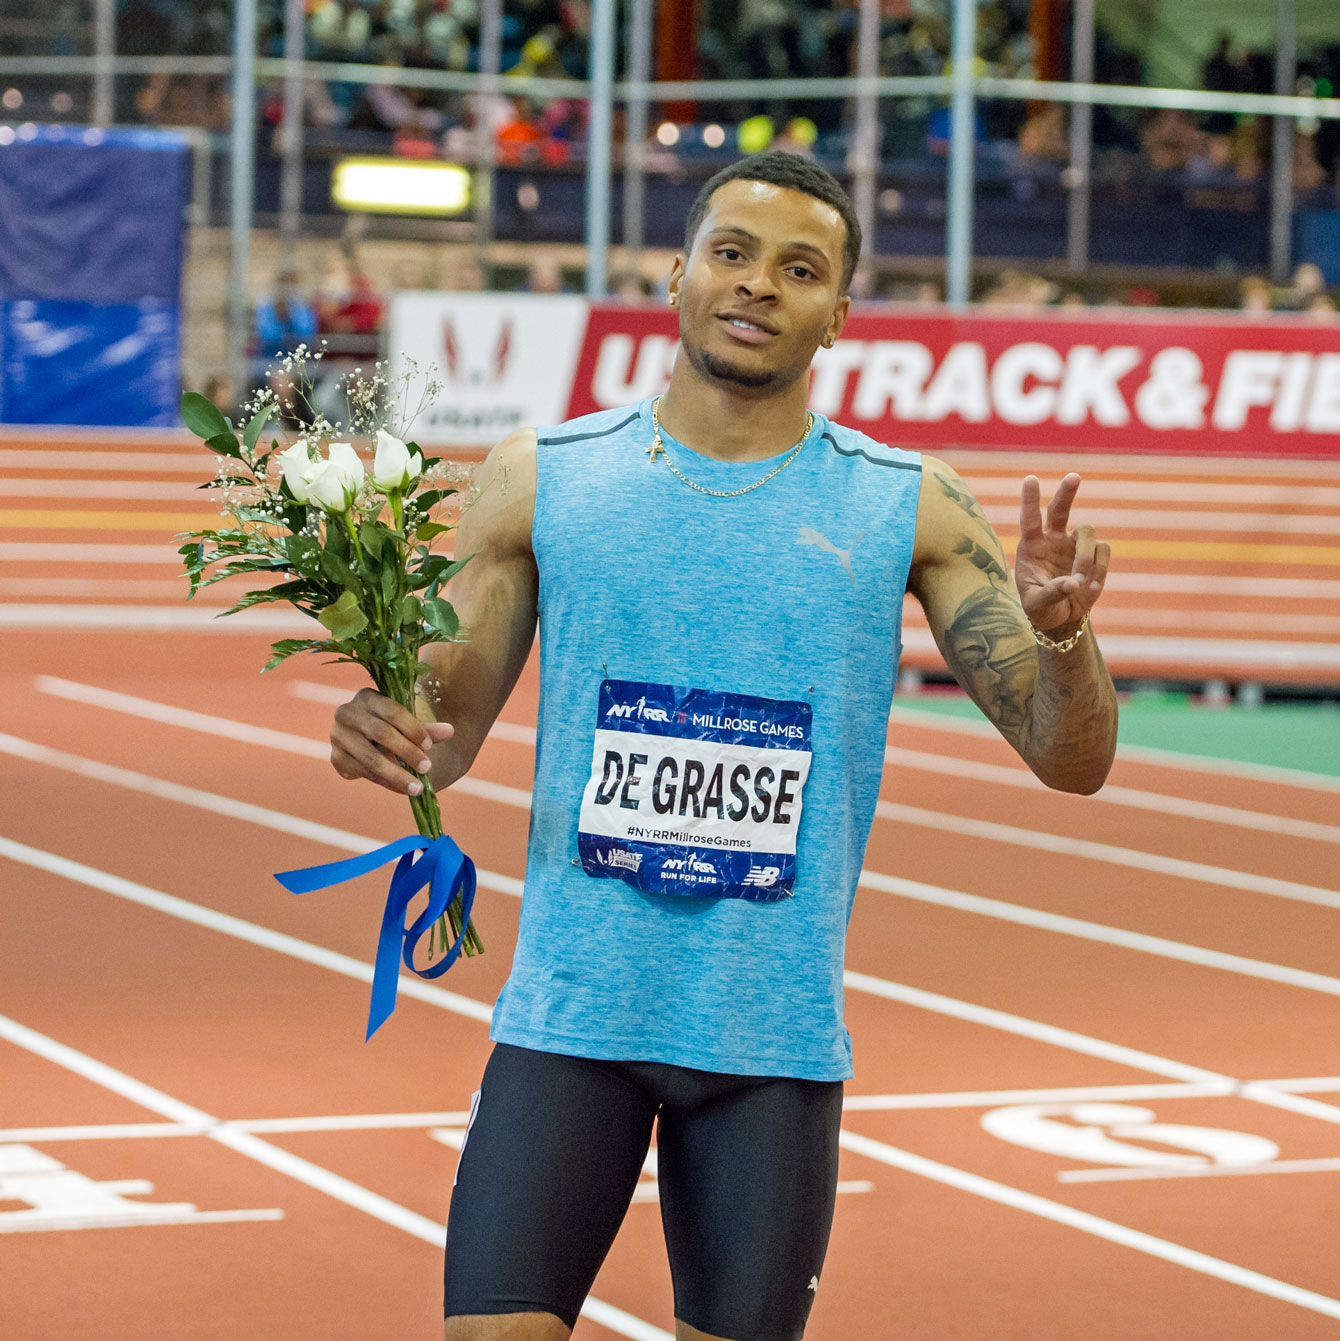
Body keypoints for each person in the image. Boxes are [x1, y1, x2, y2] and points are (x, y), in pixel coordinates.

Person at [328, 150, 1118, 1341]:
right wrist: (376, 727)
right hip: (571, 1021)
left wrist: (1063, 643)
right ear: (678, 273)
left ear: (838, 314)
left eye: (799, 269)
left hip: (768, 1043)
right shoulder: (542, 479)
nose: (757, 286)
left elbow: (1071, 759)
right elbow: (441, 743)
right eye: (732, 253)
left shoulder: (909, 504)